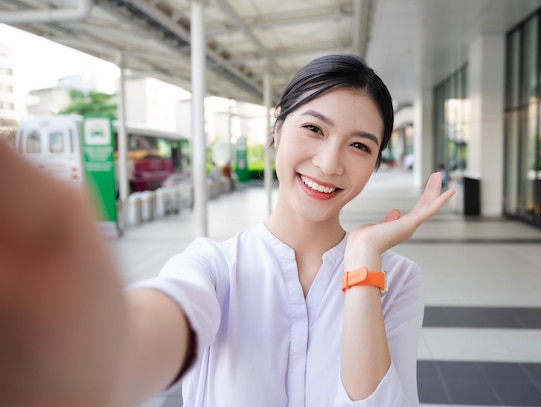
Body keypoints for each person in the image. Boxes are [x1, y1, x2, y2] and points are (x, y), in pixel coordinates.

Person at [0, 54, 455, 407]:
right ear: (277, 129)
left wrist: (362, 262)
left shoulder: (394, 280)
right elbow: (153, 328)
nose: (330, 162)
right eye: (314, 128)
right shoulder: (214, 267)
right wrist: (74, 351)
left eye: (359, 145)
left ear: (376, 164)